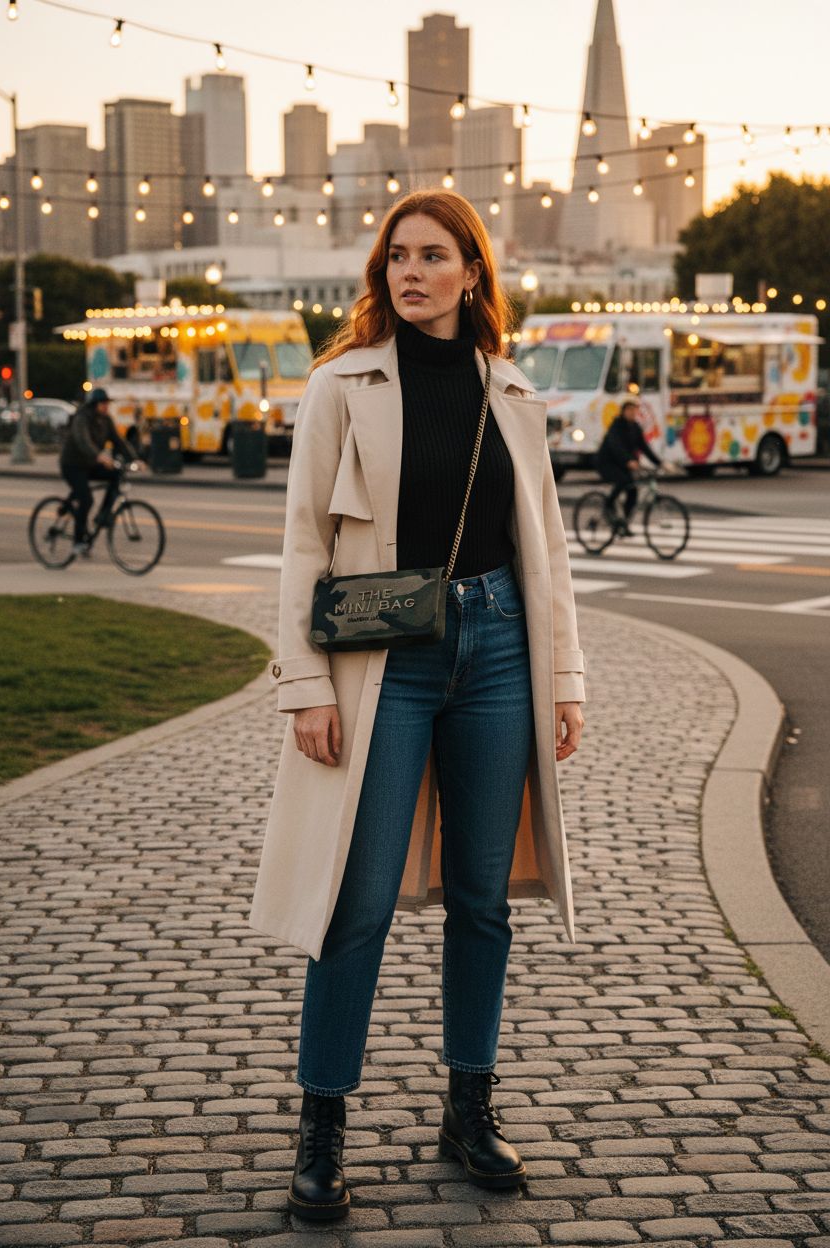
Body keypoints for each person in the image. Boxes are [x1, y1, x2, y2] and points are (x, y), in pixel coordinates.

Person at [248, 189, 586, 1222]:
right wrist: (305, 685)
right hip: (385, 662)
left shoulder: (513, 392)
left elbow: (549, 557)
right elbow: (305, 542)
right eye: (397, 255)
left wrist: (562, 679)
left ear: (472, 273)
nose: (411, 271)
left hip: (496, 652)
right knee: (355, 904)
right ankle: (323, 1127)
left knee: (482, 900)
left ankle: (467, 1108)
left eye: (434, 255)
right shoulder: (339, 386)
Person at [59, 388, 140, 552]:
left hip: (90, 464)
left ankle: (102, 516)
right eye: (103, 404)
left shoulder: (106, 420)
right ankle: (78, 541)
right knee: (87, 500)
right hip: (72, 465)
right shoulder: (82, 418)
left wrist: (136, 458)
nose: (106, 407)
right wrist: (99, 456)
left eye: (107, 404)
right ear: (94, 404)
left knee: (116, 474)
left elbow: (119, 441)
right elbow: (84, 441)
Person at [594, 399, 662, 536]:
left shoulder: (635, 427)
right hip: (607, 463)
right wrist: (629, 460)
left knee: (633, 490)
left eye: (634, 410)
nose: (632, 413)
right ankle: (608, 504)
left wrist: (660, 463)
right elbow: (616, 446)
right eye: (629, 410)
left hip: (623, 464)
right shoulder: (616, 426)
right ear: (623, 411)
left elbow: (644, 447)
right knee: (623, 481)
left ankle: (624, 522)